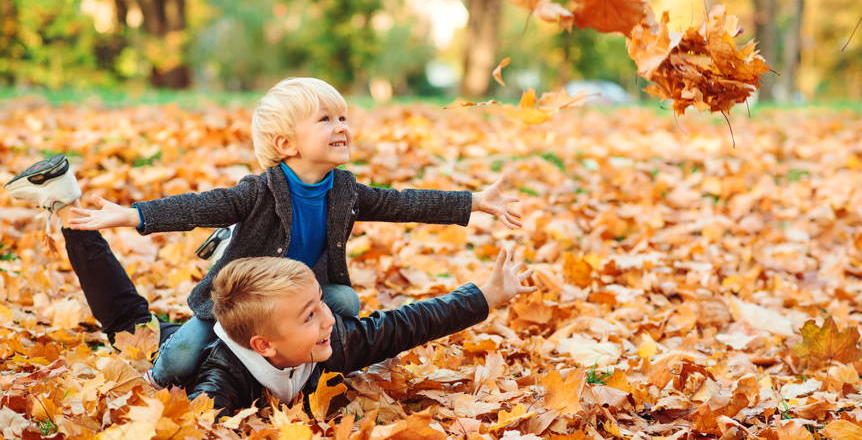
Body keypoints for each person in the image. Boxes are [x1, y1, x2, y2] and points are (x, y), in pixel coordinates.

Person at [30, 78, 521, 389]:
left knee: (344, 304)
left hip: (300, 292)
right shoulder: (260, 190)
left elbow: (404, 202)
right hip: (245, 300)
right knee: (178, 360)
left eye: (344, 116)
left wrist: (476, 202)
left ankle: (285, 316)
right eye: (325, 119)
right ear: (286, 143)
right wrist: (131, 215)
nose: (342, 125)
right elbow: (200, 205)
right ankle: (169, 353)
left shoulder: (345, 189)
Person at [4, 154, 535, 416]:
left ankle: (237, 244)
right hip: (191, 338)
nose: (329, 319)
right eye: (310, 315)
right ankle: (64, 201)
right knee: (130, 326)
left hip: (248, 302)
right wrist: (130, 215)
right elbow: (207, 415)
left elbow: (406, 322)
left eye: (317, 306)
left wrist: (487, 296)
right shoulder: (226, 377)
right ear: (265, 346)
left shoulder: (332, 340)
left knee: (348, 304)